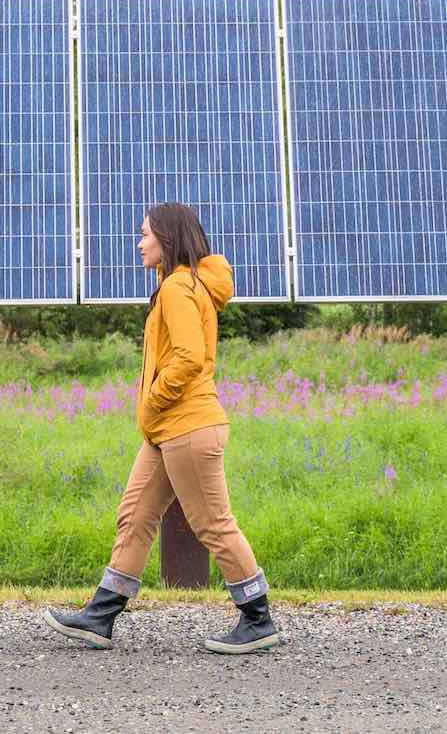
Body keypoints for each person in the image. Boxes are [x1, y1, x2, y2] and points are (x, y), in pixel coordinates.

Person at [43, 202, 282, 655]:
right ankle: (101, 616)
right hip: (166, 431)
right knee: (134, 518)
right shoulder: (178, 286)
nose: (139, 244)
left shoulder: (177, 288)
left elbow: (189, 358)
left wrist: (153, 399)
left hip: (187, 427)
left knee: (213, 524)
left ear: (167, 240)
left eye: (145, 235)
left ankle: (257, 618)